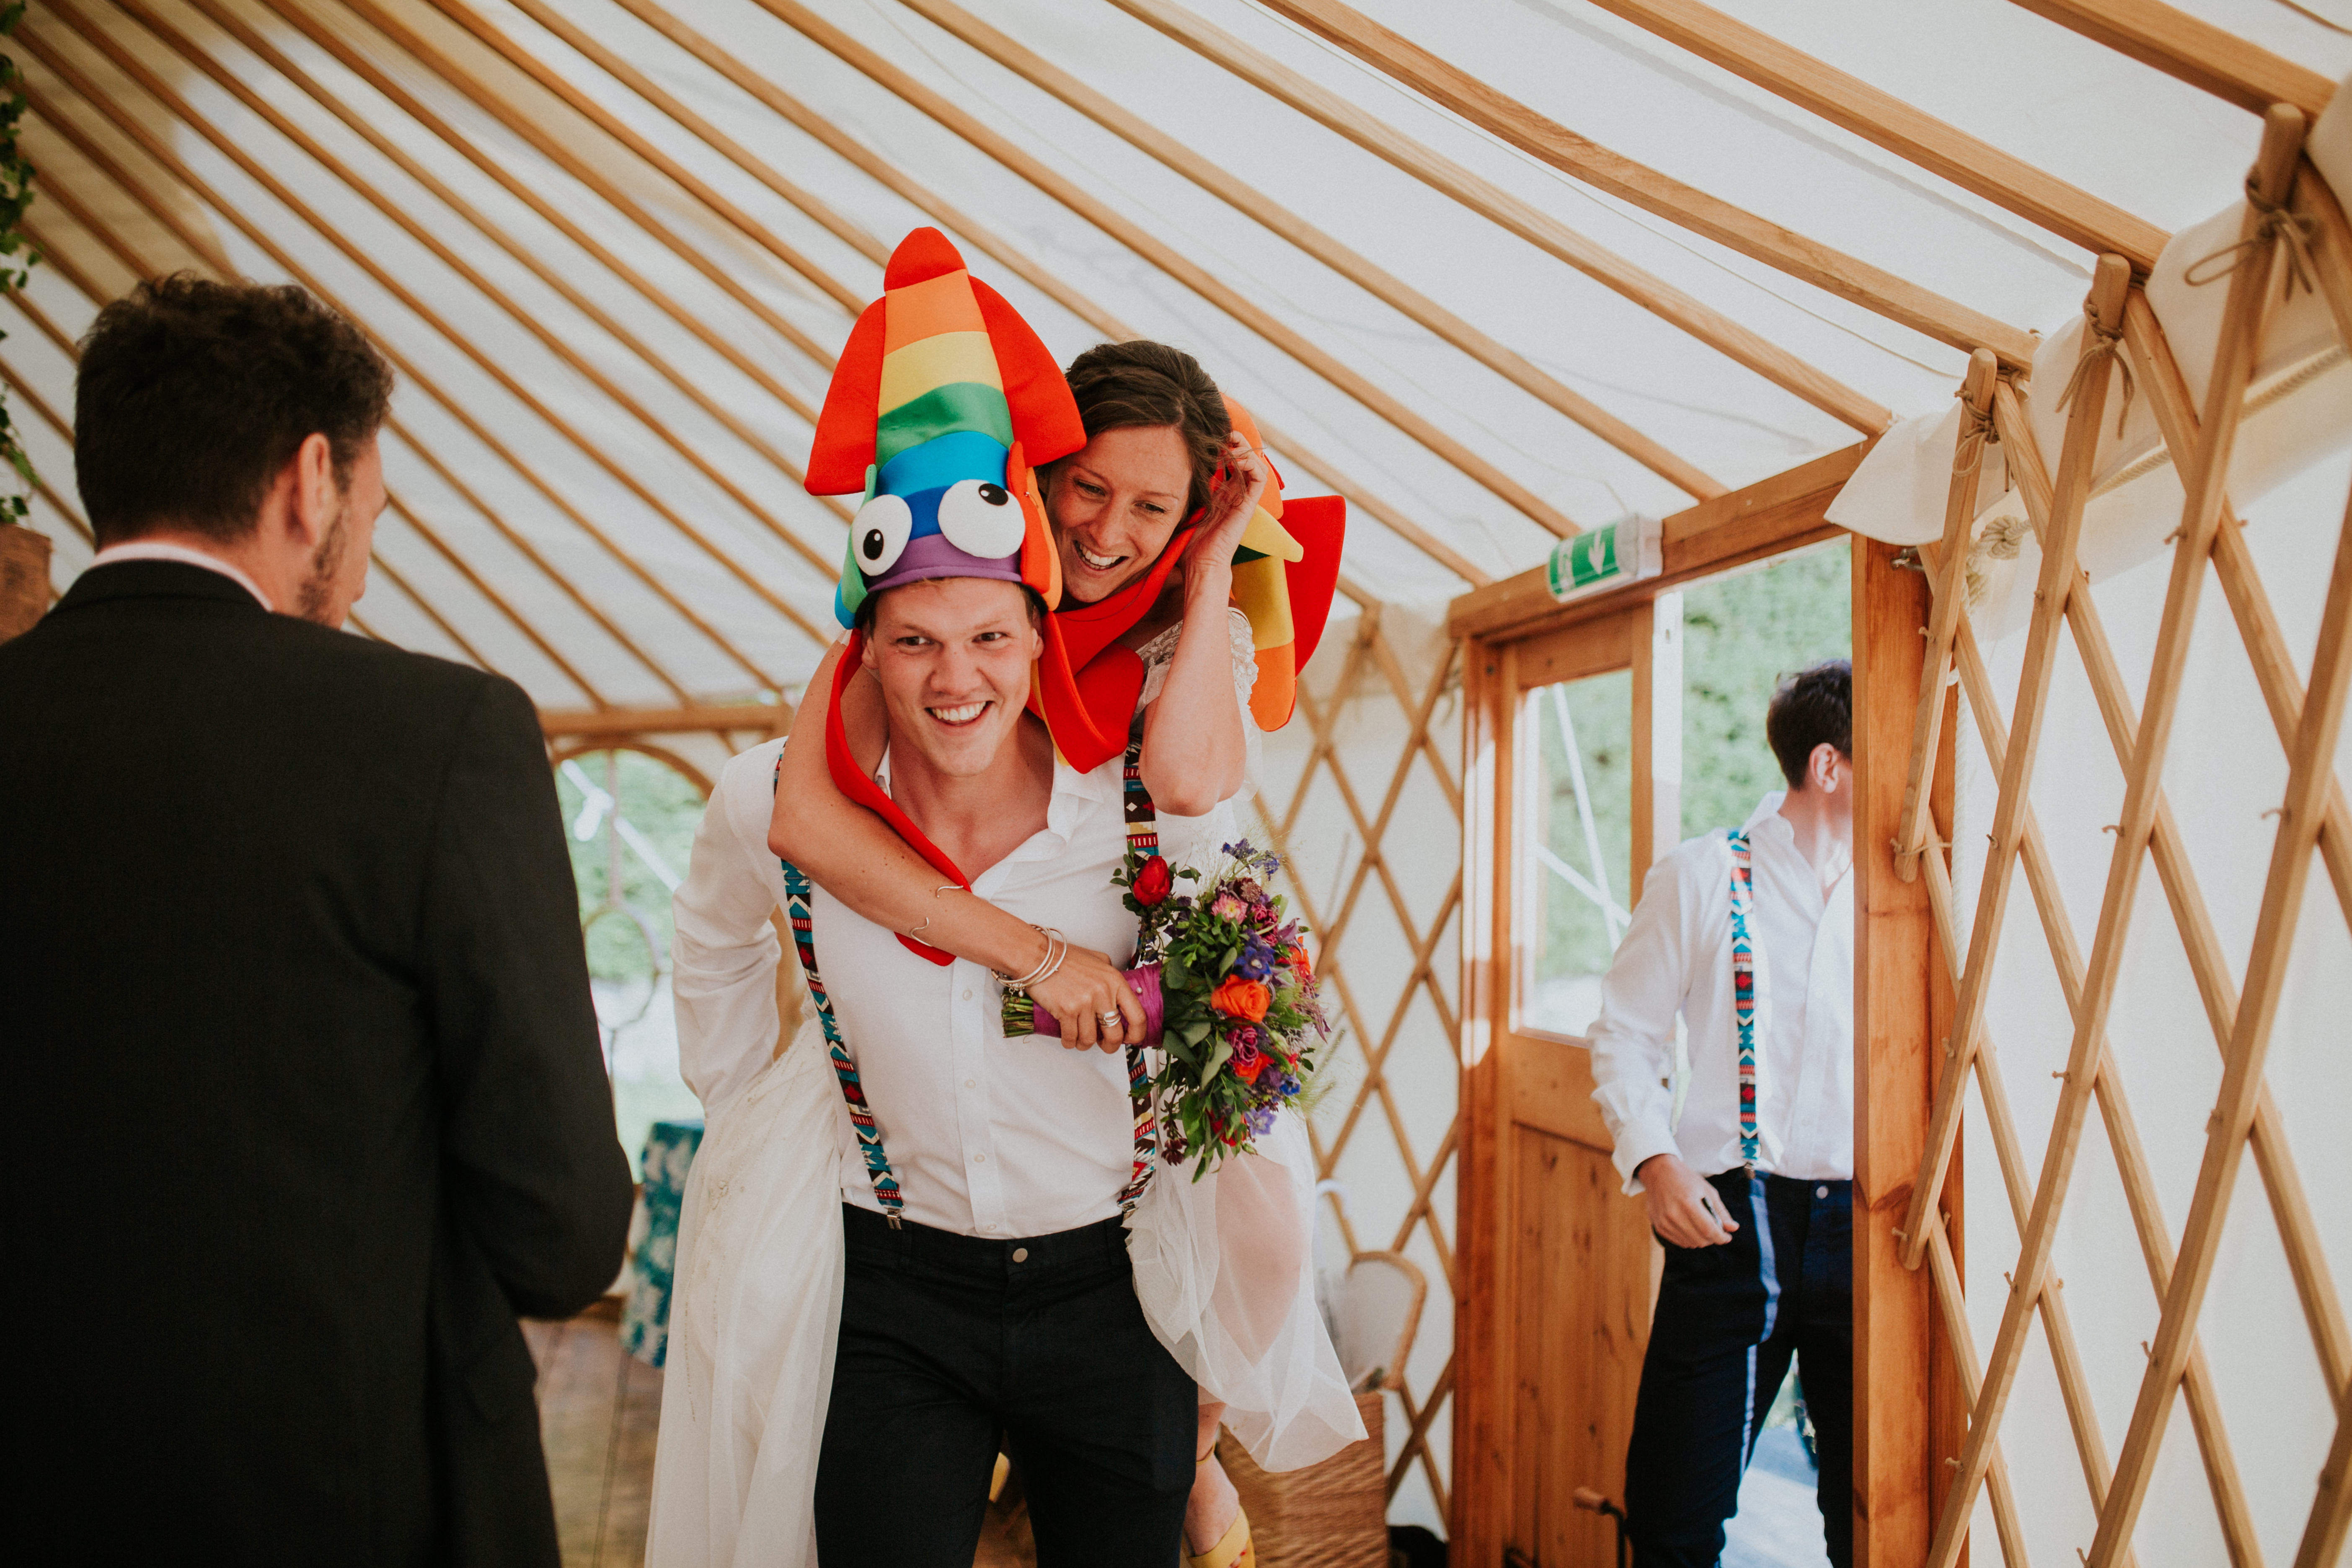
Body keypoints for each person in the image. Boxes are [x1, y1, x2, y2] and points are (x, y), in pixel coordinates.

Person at [646, 232, 1354, 1568]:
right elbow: (776, 843)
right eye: (1085, 492)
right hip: (892, 1281)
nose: (1106, 533)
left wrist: (1207, 573)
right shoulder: (880, 666)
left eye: (1150, 511)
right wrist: (754, 1110)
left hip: (1106, 1279)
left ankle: (1192, 1458)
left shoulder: (1141, 741)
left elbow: (1205, 806)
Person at [3, 275, 635, 1564]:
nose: (359, 566)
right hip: (346, 1492)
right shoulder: (437, 734)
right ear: (309, 479)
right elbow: (562, 1231)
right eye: (373, 514)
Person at [1586, 660, 1857, 1568]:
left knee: (1866, 1512)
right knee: (1675, 1511)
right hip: (1734, 1224)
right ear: (1828, 766)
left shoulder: (1900, 891)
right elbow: (1624, 1033)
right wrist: (1655, 1160)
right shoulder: (1703, 874)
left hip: (1867, 1229)